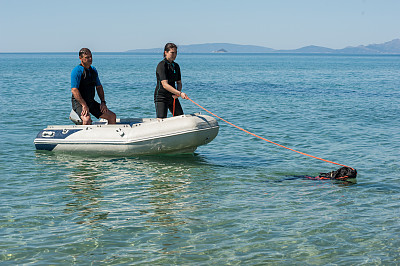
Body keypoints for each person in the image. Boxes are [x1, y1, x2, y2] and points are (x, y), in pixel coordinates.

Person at [71, 48, 116, 125]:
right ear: (80, 58)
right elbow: (74, 90)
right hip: (79, 103)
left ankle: (109, 136)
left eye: (91, 56)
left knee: (112, 116)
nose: (90, 59)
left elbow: (99, 87)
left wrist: (103, 102)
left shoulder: (93, 70)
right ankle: (84, 136)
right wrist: (84, 105)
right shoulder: (77, 71)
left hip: (91, 101)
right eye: (87, 57)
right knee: (87, 120)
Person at [154, 43, 189, 119]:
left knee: (181, 117)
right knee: (162, 120)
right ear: (165, 52)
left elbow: (179, 83)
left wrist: (177, 94)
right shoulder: (161, 65)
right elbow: (165, 85)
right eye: (172, 53)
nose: (174, 55)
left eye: (176, 53)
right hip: (161, 97)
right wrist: (179, 93)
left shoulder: (176, 66)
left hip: (173, 96)